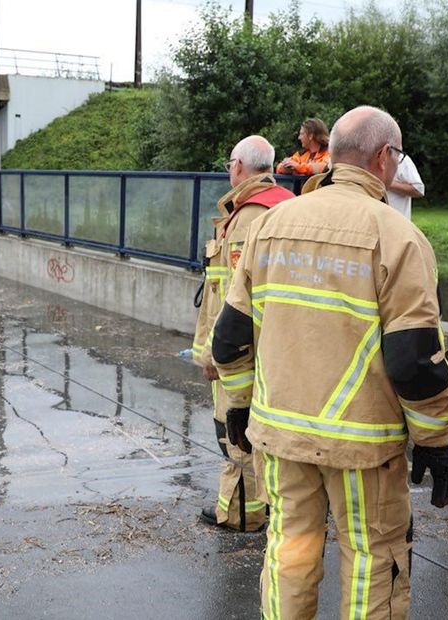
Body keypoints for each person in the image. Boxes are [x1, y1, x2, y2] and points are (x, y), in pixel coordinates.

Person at [212, 106, 448, 620]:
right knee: (375, 555)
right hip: (362, 444)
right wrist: (435, 440)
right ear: (385, 158)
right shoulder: (398, 237)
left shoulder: (272, 225)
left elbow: (231, 336)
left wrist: (238, 406)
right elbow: (415, 360)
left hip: (280, 433)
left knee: (290, 550)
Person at [192, 135, 295, 532]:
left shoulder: (247, 219)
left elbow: (228, 299)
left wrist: (211, 355)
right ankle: (271, 506)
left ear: (238, 166)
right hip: (277, 346)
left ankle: (241, 513)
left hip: (240, 349)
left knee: (233, 428)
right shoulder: (288, 208)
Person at [386, 154, 424, 219]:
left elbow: (418, 190)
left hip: (397, 223)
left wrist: (388, 182)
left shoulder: (401, 159)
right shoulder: (365, 157)